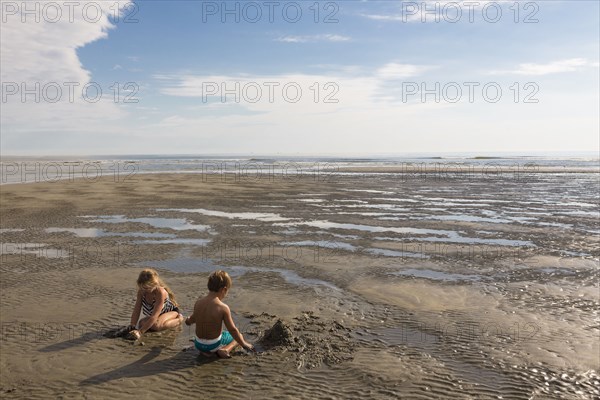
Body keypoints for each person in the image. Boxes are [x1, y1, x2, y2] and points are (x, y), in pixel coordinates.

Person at [185, 270, 254, 358]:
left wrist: (188, 321)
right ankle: (226, 349)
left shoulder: (198, 302)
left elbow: (192, 319)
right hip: (213, 346)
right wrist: (244, 344)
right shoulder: (223, 307)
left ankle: (205, 351)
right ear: (224, 289)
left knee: (221, 333)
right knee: (238, 335)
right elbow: (232, 329)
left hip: (198, 344)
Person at [128, 269, 184, 340]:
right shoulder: (141, 291)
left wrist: (140, 332)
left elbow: (154, 316)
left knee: (156, 326)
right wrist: (132, 325)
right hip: (156, 315)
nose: (144, 290)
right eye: (142, 287)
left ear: (154, 284)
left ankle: (179, 319)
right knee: (141, 323)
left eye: (146, 288)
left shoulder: (160, 292)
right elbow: (137, 309)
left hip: (170, 312)